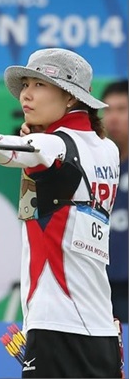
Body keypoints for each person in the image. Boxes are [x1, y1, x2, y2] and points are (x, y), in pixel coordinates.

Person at [0, 48, 123, 378]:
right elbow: (54, 159)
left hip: (56, 324)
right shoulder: (108, 148)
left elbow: (25, 151)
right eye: (26, 83)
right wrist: (38, 139)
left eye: (39, 85)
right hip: (103, 330)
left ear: (71, 98)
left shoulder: (53, 144)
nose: (26, 94)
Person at [101, 80, 128, 323]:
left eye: (122, 109)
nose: (113, 118)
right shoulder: (92, 162)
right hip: (95, 282)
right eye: (108, 110)